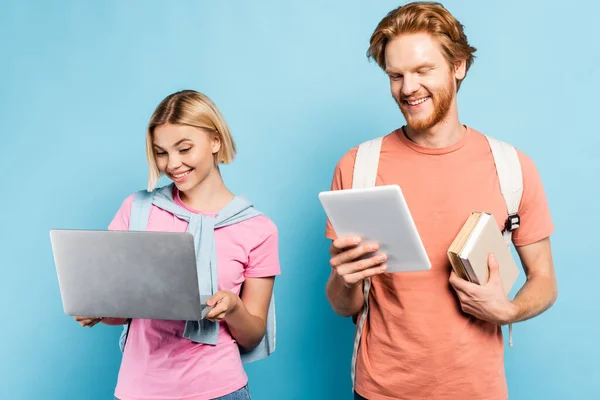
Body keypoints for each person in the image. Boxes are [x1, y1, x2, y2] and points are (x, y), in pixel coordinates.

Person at [324, 2, 557, 399]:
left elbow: (545, 281)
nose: (407, 88)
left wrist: (509, 311)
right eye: (395, 75)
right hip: (381, 389)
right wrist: (344, 281)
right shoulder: (358, 166)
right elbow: (343, 304)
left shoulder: (511, 168)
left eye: (422, 70)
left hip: (476, 389)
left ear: (459, 65)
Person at [74, 89, 280, 400]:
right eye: (161, 152)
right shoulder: (137, 210)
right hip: (138, 390)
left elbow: (252, 336)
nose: (173, 164)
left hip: (218, 390)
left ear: (215, 141)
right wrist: (100, 309)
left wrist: (233, 307)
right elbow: (122, 314)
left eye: (184, 149)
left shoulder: (256, 228)